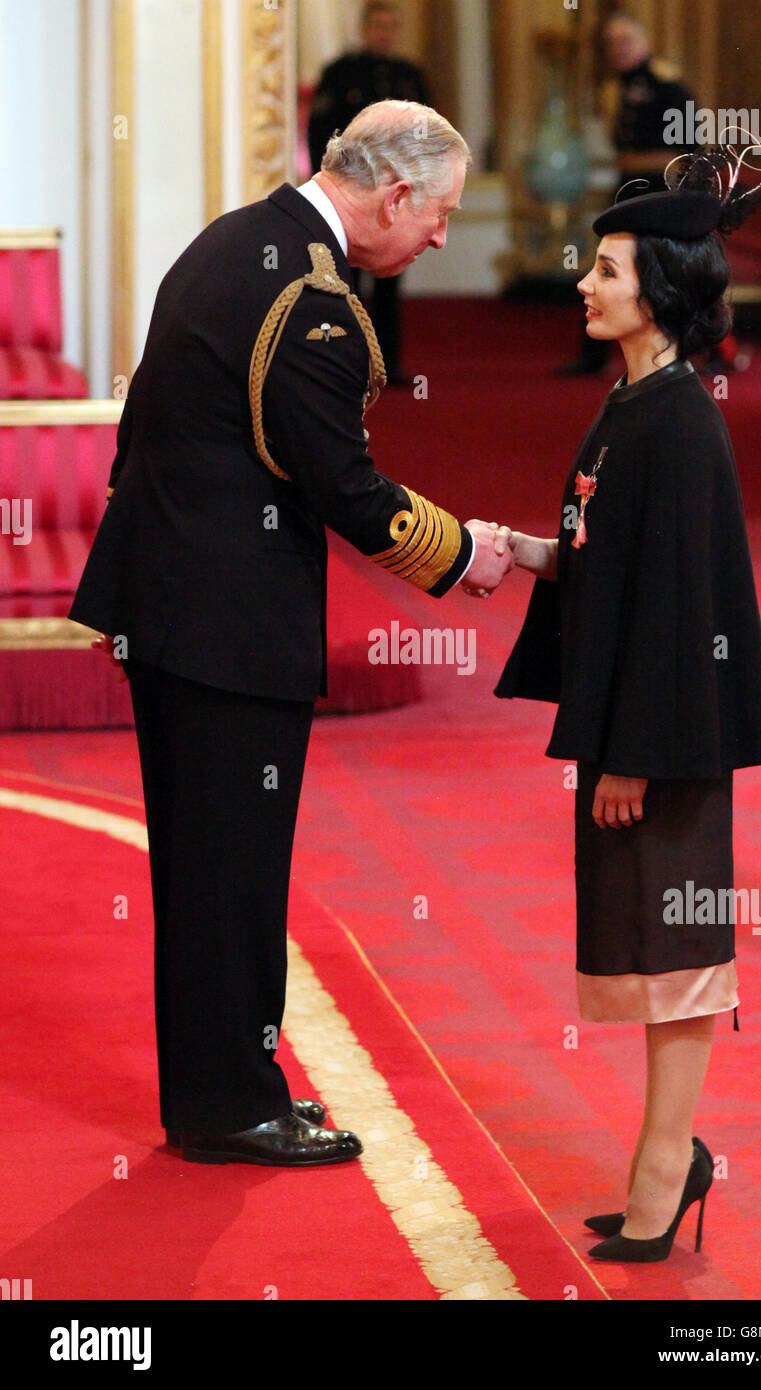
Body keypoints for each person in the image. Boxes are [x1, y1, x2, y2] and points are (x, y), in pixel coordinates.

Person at [69, 100, 512, 1168]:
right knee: (232, 870)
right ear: (393, 194)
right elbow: (344, 486)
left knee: (203, 865)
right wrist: (460, 555)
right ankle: (230, 1105)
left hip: (173, 600)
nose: (443, 236)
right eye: (440, 214)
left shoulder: (238, 237)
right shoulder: (310, 293)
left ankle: (222, 1089)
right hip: (227, 622)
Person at [483, 147, 761, 1261]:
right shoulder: (633, 405)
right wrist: (516, 550)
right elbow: (606, 556)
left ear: (655, 288)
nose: (583, 285)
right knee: (647, 949)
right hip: (640, 733)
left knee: (683, 954)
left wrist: (632, 759)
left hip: (669, 742)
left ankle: (665, 1171)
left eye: (603, 269)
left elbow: (677, 607)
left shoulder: (682, 424)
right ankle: (674, 1157)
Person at [557, 10, 698, 376]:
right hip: (626, 185)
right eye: (611, 44)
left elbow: (691, 144)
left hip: (659, 186)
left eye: (625, 41)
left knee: (664, 271)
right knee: (603, 266)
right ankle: (592, 357)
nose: (618, 50)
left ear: (644, 43)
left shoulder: (667, 83)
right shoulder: (613, 87)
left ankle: (683, 353)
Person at [307, 1, 431, 385]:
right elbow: (319, 134)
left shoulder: (409, 77)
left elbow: (428, 135)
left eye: (391, 27)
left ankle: (388, 365)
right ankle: (348, 366)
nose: (384, 33)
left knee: (391, 279)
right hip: (353, 192)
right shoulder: (340, 75)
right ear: (364, 28)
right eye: (378, 26)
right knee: (347, 282)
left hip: (397, 194)